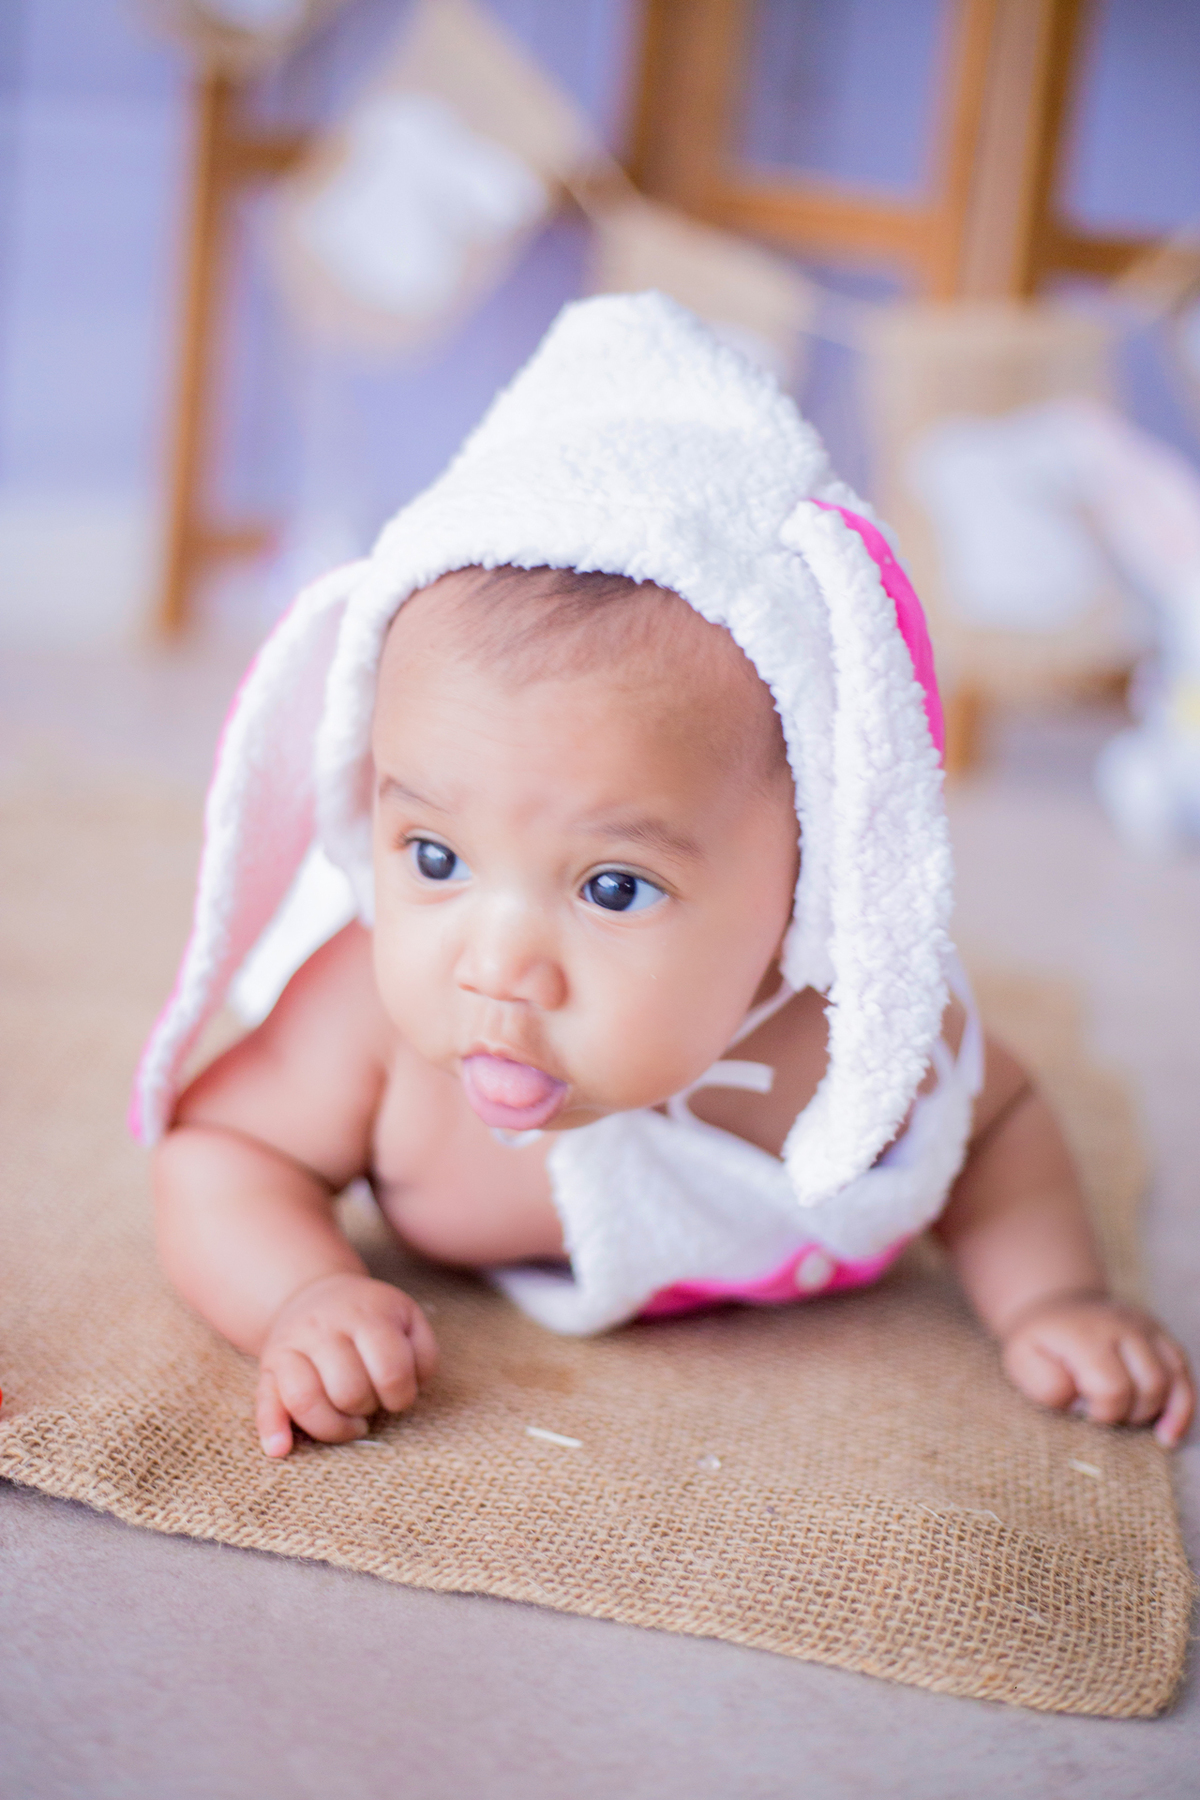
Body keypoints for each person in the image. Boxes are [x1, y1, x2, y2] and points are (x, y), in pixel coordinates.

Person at [138, 294, 1194, 1458]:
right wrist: (298, 1293)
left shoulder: (869, 1034)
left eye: (612, 888)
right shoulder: (366, 1027)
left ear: (810, 871)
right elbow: (222, 1152)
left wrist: (1053, 1299)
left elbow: (999, 1130)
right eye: (434, 858)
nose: (497, 967)